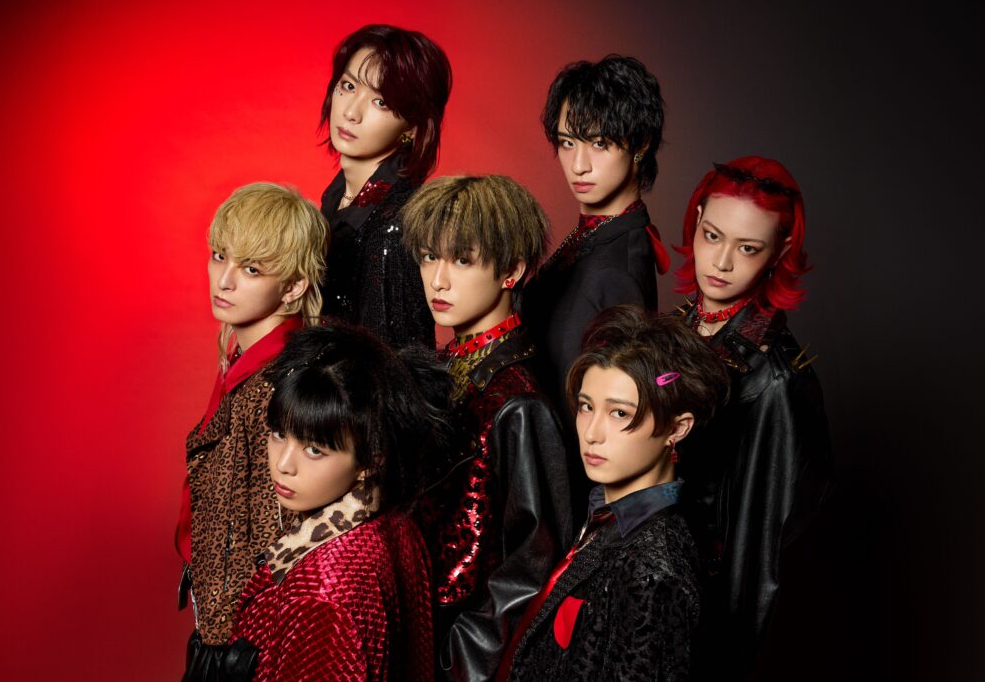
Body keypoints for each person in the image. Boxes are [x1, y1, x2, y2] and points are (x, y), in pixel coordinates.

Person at [400, 175, 573, 681]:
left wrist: (457, 663)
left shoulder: (519, 402)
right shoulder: (448, 364)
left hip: (460, 658)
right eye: (429, 257)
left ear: (511, 270)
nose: (438, 280)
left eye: (462, 260)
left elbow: (535, 566)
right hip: (421, 636)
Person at [499, 304, 729, 681]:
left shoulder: (653, 573)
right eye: (586, 407)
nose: (592, 433)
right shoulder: (607, 517)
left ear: (677, 429)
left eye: (619, 413)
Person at [670, 156, 832, 679]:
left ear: (779, 251)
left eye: (747, 248)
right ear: (697, 220)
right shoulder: (675, 328)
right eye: (712, 236)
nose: (720, 262)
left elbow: (756, 559)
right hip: (640, 580)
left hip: (695, 610)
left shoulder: (774, 380)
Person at [220, 323, 447, 681]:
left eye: (314, 450)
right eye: (279, 434)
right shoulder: (394, 520)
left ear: (371, 458)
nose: (283, 464)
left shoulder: (323, 593)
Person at [178, 182, 329, 679]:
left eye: (251, 269)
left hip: (243, 642)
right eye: (219, 256)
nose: (223, 280)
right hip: (223, 622)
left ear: (293, 288)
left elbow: (276, 530)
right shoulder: (246, 361)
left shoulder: (277, 385)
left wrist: (234, 636)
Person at [522, 54, 671, 526]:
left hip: (564, 495)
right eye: (567, 142)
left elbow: (614, 416)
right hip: (538, 476)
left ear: (640, 144)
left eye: (599, 143)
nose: (578, 164)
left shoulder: (617, 267)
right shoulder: (594, 235)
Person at [317, 23, 452, 348]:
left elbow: (394, 362)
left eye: (381, 102)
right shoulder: (339, 194)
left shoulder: (396, 224)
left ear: (412, 127)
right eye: (348, 86)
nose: (351, 112)